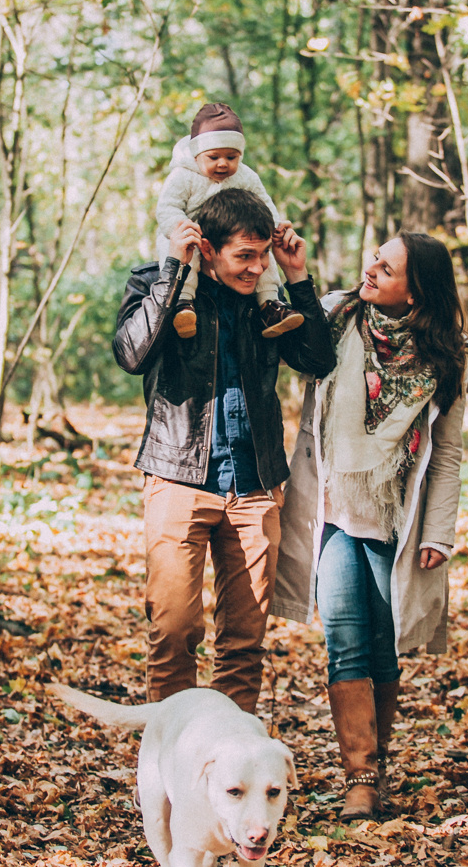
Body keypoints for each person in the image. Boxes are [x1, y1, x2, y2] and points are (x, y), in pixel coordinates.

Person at [113, 187, 337, 714]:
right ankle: (174, 760)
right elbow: (132, 354)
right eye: (245, 256)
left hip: (255, 487)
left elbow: (317, 359)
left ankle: (229, 762)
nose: (258, 268)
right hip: (177, 478)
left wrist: (298, 277)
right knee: (173, 631)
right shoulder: (155, 282)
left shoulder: (269, 301)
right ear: (208, 249)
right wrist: (173, 271)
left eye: (264, 256)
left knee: (243, 641)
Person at [272, 232, 467, 820]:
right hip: (331, 510)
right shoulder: (335, 315)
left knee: (384, 647)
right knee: (346, 642)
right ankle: (361, 775)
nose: (372, 269)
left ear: (417, 292)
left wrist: (438, 532)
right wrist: (295, 271)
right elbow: (290, 336)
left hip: (395, 518)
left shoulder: (446, 353)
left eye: (388, 267)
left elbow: (449, 452)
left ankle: (377, 766)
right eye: (374, 259)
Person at [156, 101, 304, 339]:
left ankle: (270, 303)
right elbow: (167, 207)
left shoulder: (246, 175)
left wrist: (274, 229)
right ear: (197, 155)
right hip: (190, 234)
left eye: (231, 157)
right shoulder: (183, 176)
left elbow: (265, 202)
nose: (223, 163)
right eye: (213, 157)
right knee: (184, 259)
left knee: (261, 253)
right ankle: (183, 304)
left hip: (235, 235)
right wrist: (181, 230)